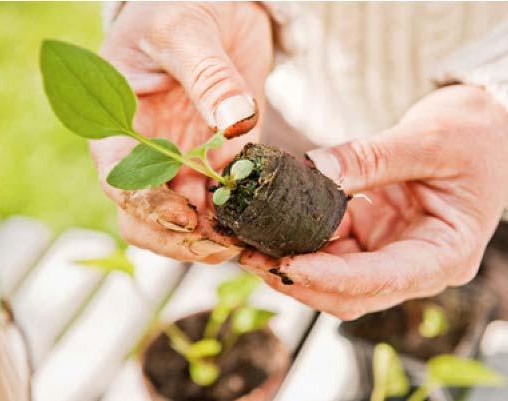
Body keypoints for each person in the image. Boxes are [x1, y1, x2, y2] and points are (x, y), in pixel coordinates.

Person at [91, 2, 508, 320]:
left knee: (470, 275)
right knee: (318, 269)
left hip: (487, 137)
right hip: (278, 95)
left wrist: (499, 100)